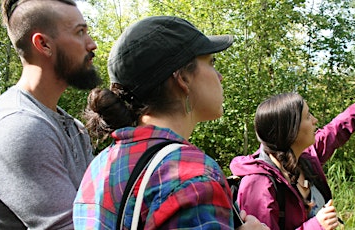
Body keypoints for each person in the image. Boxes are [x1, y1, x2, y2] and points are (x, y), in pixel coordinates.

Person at [73, 16, 268, 230]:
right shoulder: (193, 177)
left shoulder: (99, 167)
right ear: (183, 78)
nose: (220, 76)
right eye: (211, 62)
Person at [230, 72, 355, 230]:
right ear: (291, 130)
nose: (315, 120)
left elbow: (339, 127)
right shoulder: (258, 185)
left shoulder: (303, 158)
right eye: (308, 116)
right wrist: (317, 225)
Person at [0, 0, 101, 229]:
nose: (92, 45)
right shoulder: (19, 126)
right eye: (80, 32)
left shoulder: (72, 126)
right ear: (43, 44)